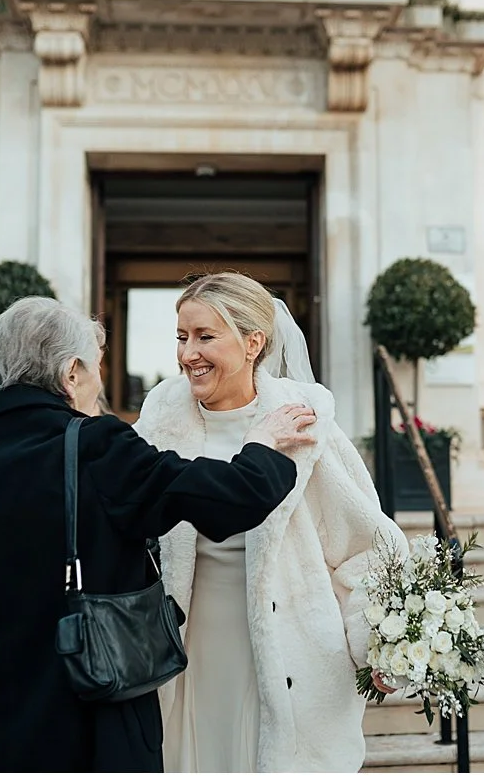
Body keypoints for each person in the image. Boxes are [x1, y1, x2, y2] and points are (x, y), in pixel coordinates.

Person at [0, 296, 314, 772]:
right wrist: (263, 445)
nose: (99, 382)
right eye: (94, 368)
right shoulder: (92, 445)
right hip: (85, 710)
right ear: (71, 373)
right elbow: (229, 499)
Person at [135, 273, 405, 772]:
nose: (187, 353)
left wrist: (380, 643)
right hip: (185, 651)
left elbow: (365, 545)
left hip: (292, 654)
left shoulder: (303, 422)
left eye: (204, 336)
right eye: (181, 336)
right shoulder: (157, 423)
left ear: (254, 342)